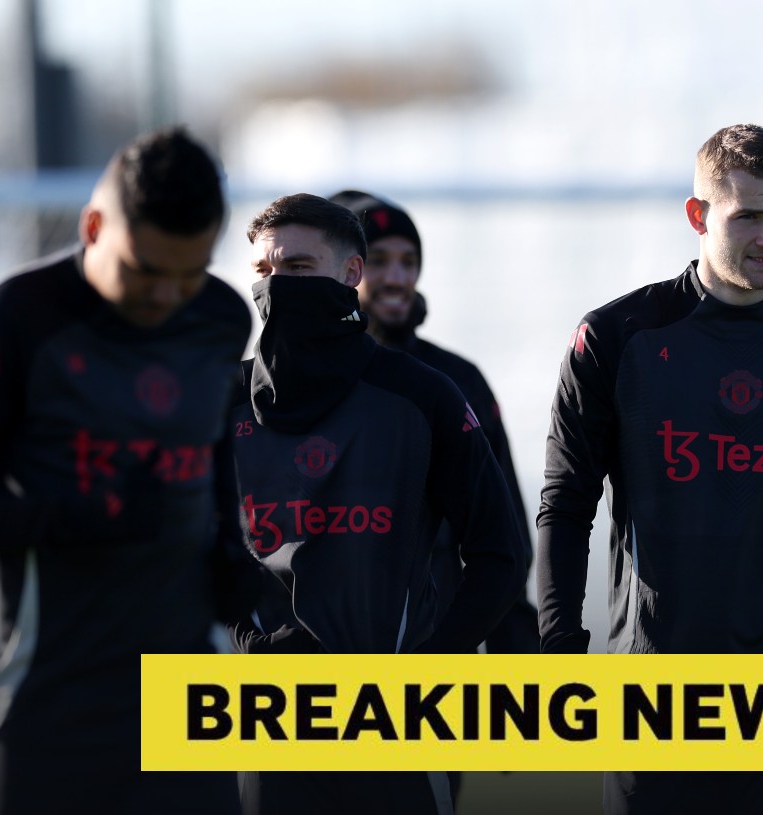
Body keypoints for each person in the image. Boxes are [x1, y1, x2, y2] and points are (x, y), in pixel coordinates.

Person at [536, 123, 763, 814]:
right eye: (749, 217)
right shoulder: (616, 338)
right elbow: (566, 504)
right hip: (653, 695)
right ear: (699, 215)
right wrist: (559, 652)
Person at [0, 127, 257, 815]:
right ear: (95, 226)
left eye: (188, 273)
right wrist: (71, 517)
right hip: (43, 706)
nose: (167, 294)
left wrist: (234, 544)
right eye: (144, 270)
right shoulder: (13, 323)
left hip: (185, 697)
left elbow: (218, 445)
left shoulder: (223, 318)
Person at [227, 193, 528, 815]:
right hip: (270, 719)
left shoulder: (427, 394)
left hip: (401, 723)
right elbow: (192, 546)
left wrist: (430, 670)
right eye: (264, 272)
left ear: (348, 274)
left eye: (300, 269)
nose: (278, 286)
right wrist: (246, 639)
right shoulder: (221, 400)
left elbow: (501, 554)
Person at [327, 189, 539, 653]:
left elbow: (507, 546)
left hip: (432, 652)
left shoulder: (458, 380)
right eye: (378, 261)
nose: (397, 278)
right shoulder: (297, 383)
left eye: (409, 262)